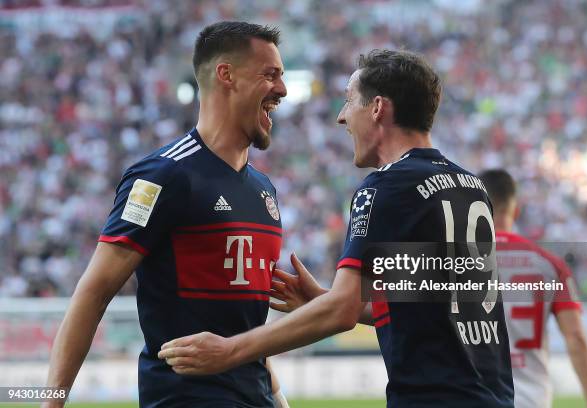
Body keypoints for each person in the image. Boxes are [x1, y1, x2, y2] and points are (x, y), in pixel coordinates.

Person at [158, 49, 515, 407]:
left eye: (348, 102)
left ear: (377, 108)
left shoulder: (387, 187)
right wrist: (321, 298)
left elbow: (342, 311)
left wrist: (229, 351)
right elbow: (426, 311)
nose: (342, 117)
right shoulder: (470, 186)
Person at [44, 21, 290, 408]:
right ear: (226, 75)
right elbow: (93, 293)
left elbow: (247, 321)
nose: (282, 89)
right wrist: (51, 402)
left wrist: (279, 400)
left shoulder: (264, 190)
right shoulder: (162, 176)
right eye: (270, 75)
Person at [478, 169, 587, 408]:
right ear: (516, 211)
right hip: (532, 399)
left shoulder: (455, 266)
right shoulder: (549, 264)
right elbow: (575, 338)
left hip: (476, 397)